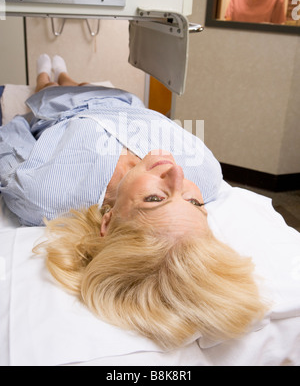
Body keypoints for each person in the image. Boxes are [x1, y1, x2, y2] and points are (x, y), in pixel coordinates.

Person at [0, 54, 268, 349]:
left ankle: (48, 74)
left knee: (46, 88)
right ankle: (66, 74)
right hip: (122, 103)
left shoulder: (42, 194)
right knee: (80, 83)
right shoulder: (205, 171)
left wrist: (30, 113)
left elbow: (11, 142)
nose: (176, 173)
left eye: (155, 198)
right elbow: (156, 119)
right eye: (194, 203)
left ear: (109, 220)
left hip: (58, 110)